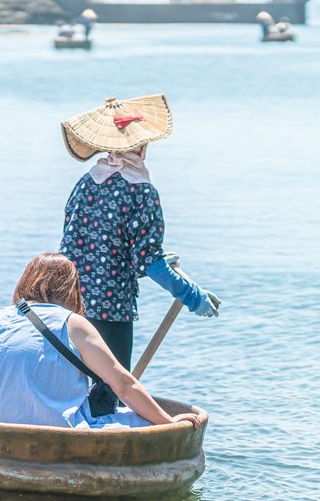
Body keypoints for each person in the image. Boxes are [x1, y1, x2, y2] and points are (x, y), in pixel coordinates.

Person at [58, 94, 221, 371]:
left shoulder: (86, 182)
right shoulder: (142, 192)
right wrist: (191, 296)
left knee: (75, 385)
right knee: (111, 390)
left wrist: (141, 262)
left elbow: (85, 245)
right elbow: (148, 262)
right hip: (110, 310)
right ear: (141, 147)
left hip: (69, 305)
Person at [0, 253, 201, 429]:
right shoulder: (72, 324)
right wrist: (168, 423)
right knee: (142, 420)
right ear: (71, 289)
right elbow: (123, 385)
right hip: (61, 436)